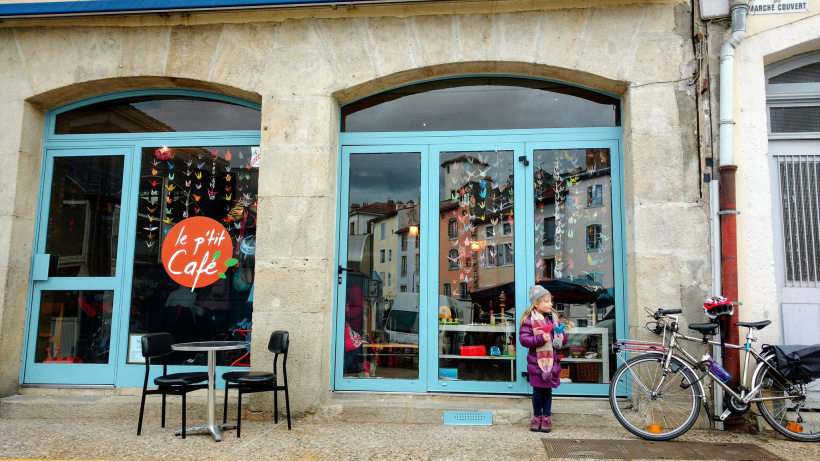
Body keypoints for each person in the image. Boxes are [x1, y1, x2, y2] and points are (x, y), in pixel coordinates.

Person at [519, 285, 568, 433]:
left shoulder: (554, 319)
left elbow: (563, 338)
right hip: (537, 363)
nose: (550, 304)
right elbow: (524, 339)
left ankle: (546, 418)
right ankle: (536, 417)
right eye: (546, 301)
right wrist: (540, 338)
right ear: (536, 303)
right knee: (538, 391)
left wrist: (560, 337)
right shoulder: (529, 320)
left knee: (548, 391)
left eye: (550, 301)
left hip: (551, 361)